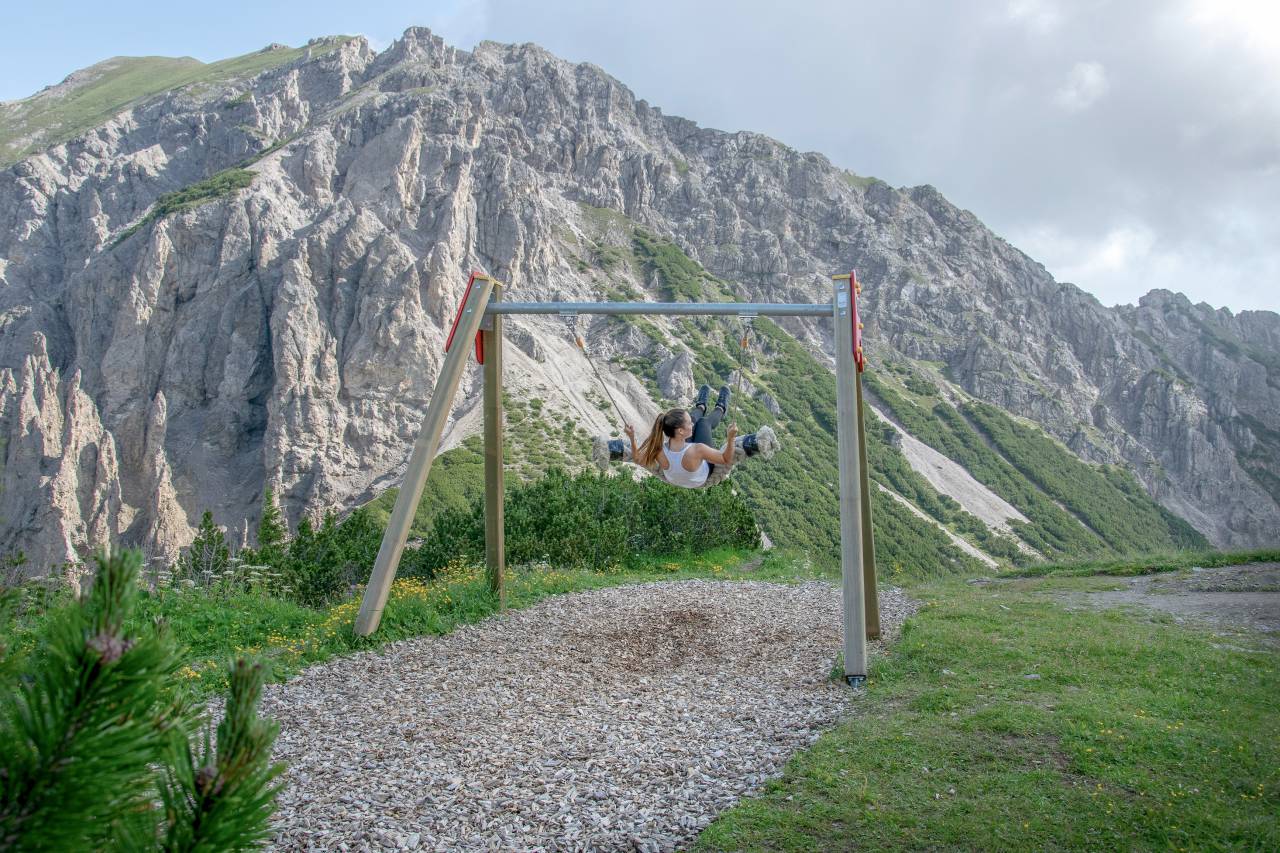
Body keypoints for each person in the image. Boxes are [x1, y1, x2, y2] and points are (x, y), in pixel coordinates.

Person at [624, 385, 737, 489]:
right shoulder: (698, 450)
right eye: (689, 423)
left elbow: (637, 459)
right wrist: (731, 437)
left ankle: (701, 406)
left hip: (675, 478)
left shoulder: (658, 450)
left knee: (693, 418)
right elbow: (725, 459)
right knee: (703, 422)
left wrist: (632, 437)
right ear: (680, 431)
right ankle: (720, 408)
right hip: (699, 479)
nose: (692, 425)